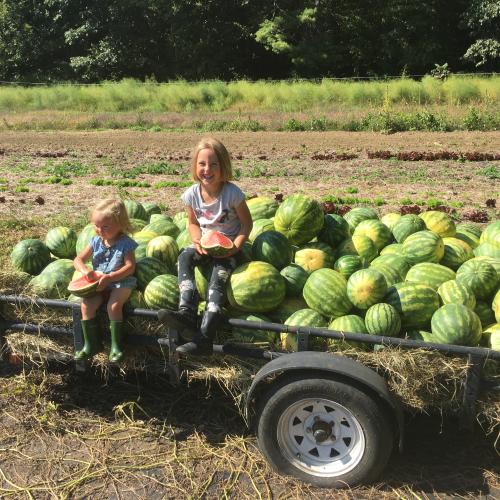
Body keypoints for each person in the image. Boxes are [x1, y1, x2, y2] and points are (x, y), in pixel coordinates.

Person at [159, 137, 252, 355]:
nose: (207, 169)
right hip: (205, 245)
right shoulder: (192, 194)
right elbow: (192, 223)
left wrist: (236, 246)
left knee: (216, 281)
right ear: (195, 166)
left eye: (213, 164)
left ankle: (205, 338)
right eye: (202, 164)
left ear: (223, 166)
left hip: (229, 248)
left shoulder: (232, 193)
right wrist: (197, 240)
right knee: (184, 256)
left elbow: (247, 224)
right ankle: (187, 310)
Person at [73, 198, 138, 363]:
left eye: (105, 227)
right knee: (86, 305)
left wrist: (110, 277)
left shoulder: (126, 243)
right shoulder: (95, 241)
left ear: (120, 224)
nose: (99, 230)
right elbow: (78, 259)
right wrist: (85, 271)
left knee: (114, 306)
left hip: (120, 282)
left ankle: (117, 346)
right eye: (96, 225)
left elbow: (130, 267)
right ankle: (92, 344)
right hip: (99, 283)